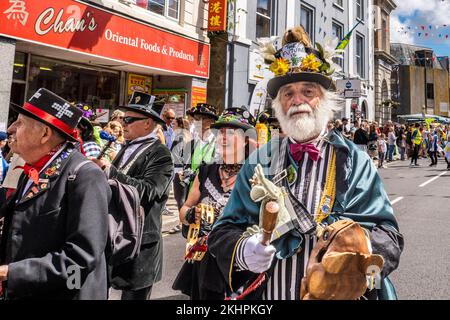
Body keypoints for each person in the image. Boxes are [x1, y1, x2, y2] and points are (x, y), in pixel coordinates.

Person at [207, 26, 404, 300]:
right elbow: (223, 231)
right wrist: (242, 251)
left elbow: (388, 235)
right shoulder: (259, 162)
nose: (297, 100)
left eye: (308, 91)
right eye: (287, 93)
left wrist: (361, 263)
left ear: (324, 100)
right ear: (277, 105)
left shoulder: (355, 161)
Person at [0, 88, 110, 300]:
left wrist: (10, 273)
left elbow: (80, 258)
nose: (11, 128)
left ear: (45, 134)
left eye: (20, 123)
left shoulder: (85, 176)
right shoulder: (32, 170)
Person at [92, 91, 173, 300]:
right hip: (115, 236)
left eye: (128, 119)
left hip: (141, 242)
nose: (122, 123)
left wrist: (111, 171)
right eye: (121, 118)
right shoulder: (125, 146)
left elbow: (149, 191)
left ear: (147, 123)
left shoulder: (161, 153)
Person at [172, 107, 256, 299]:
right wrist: (193, 215)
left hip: (238, 266)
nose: (222, 137)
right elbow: (184, 211)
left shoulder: (255, 175)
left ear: (245, 140)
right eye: (220, 133)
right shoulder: (205, 171)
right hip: (204, 261)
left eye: (230, 133)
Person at [169, 117, 193, 234]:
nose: (171, 125)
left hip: (179, 170)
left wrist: (180, 169)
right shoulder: (187, 135)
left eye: (173, 123)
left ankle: (182, 224)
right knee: (184, 197)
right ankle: (185, 223)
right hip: (186, 170)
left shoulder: (180, 136)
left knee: (180, 199)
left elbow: (176, 154)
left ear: (179, 124)